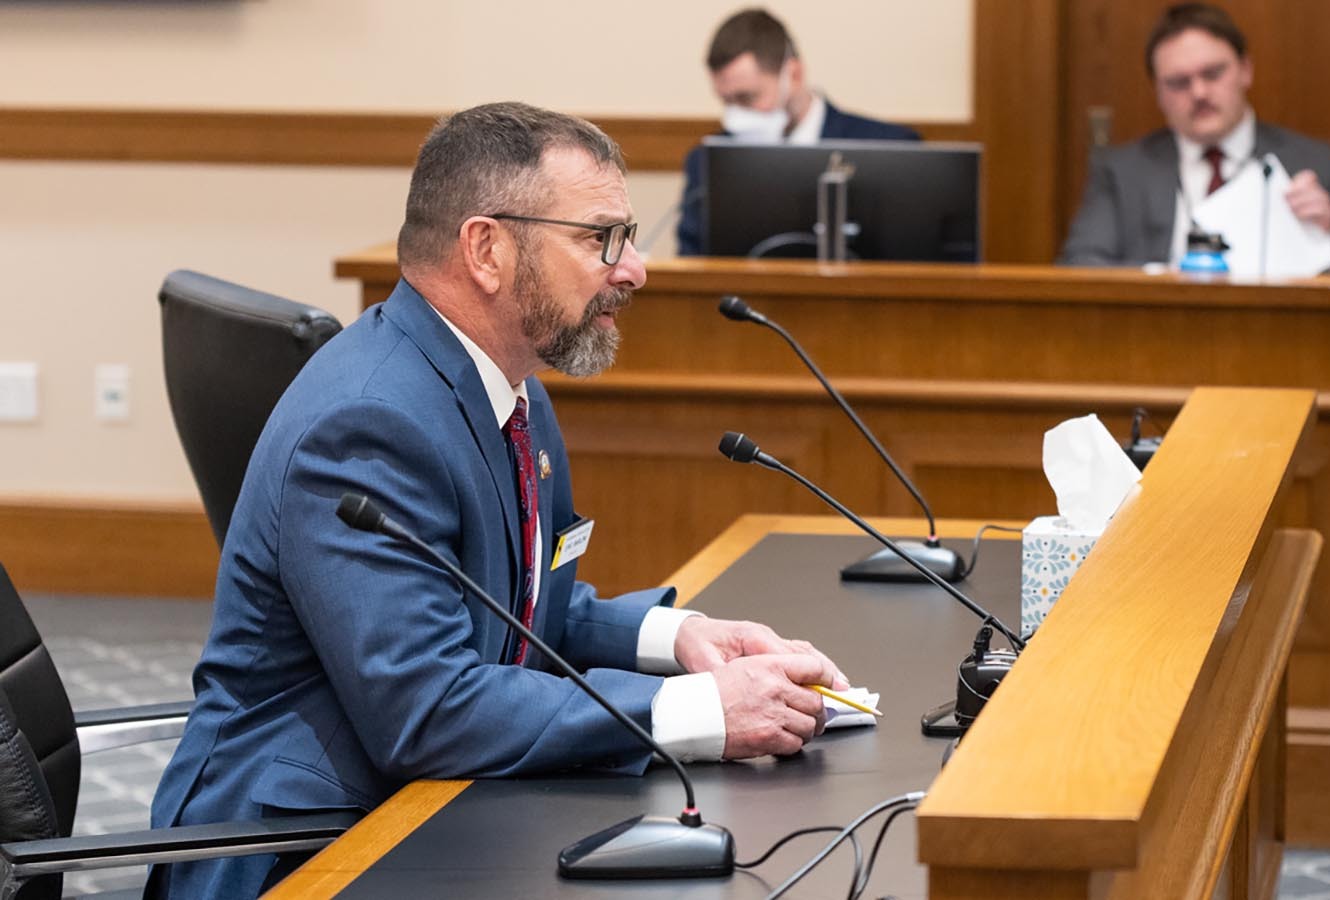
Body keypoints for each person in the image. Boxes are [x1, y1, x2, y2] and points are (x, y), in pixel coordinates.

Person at [147, 102, 847, 899]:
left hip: (430, 805)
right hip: (306, 849)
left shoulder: (509, 387)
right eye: (600, 237)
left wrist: (683, 639)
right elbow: (429, 709)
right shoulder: (367, 425)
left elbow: (519, 608)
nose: (634, 269)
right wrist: (698, 711)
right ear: (486, 249)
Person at [1058, 2, 1330, 271]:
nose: (1199, 92)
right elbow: (1081, 265)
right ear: (1158, 93)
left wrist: (1326, 236)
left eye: (1212, 74)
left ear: (1245, 70)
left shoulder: (1319, 164)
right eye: (1178, 82)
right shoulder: (1121, 171)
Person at [674, 7, 920, 256]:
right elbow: (692, 261)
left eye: (747, 98)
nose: (736, 114)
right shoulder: (706, 162)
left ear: (793, 74)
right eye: (727, 101)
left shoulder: (892, 148)